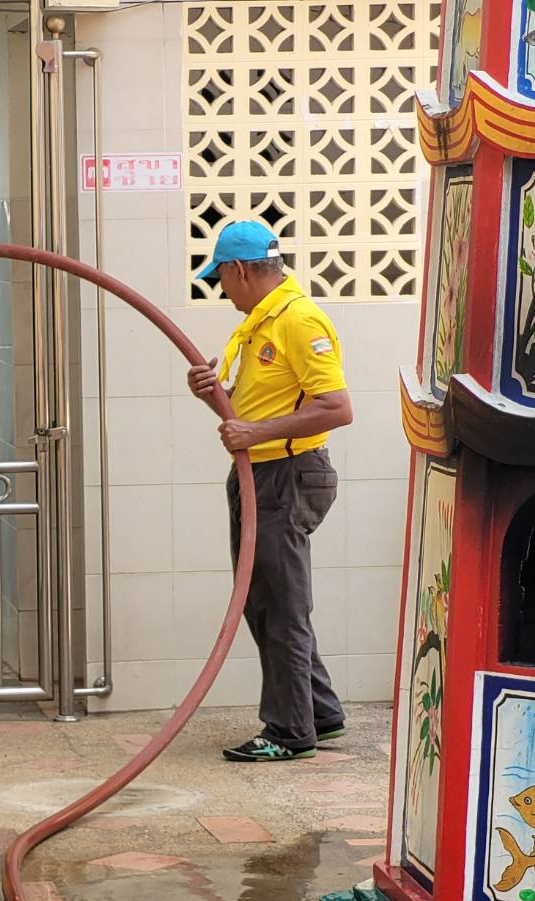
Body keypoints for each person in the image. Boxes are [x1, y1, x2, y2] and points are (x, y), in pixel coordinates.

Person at [188, 220, 353, 763]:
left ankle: (288, 731)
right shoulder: (260, 322)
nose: (223, 290)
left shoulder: (298, 320)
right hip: (260, 475)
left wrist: (254, 434)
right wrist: (213, 395)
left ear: (239, 269)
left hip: (287, 473)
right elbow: (251, 410)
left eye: (221, 278)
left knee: (280, 607)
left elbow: (336, 408)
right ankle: (319, 712)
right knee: (268, 602)